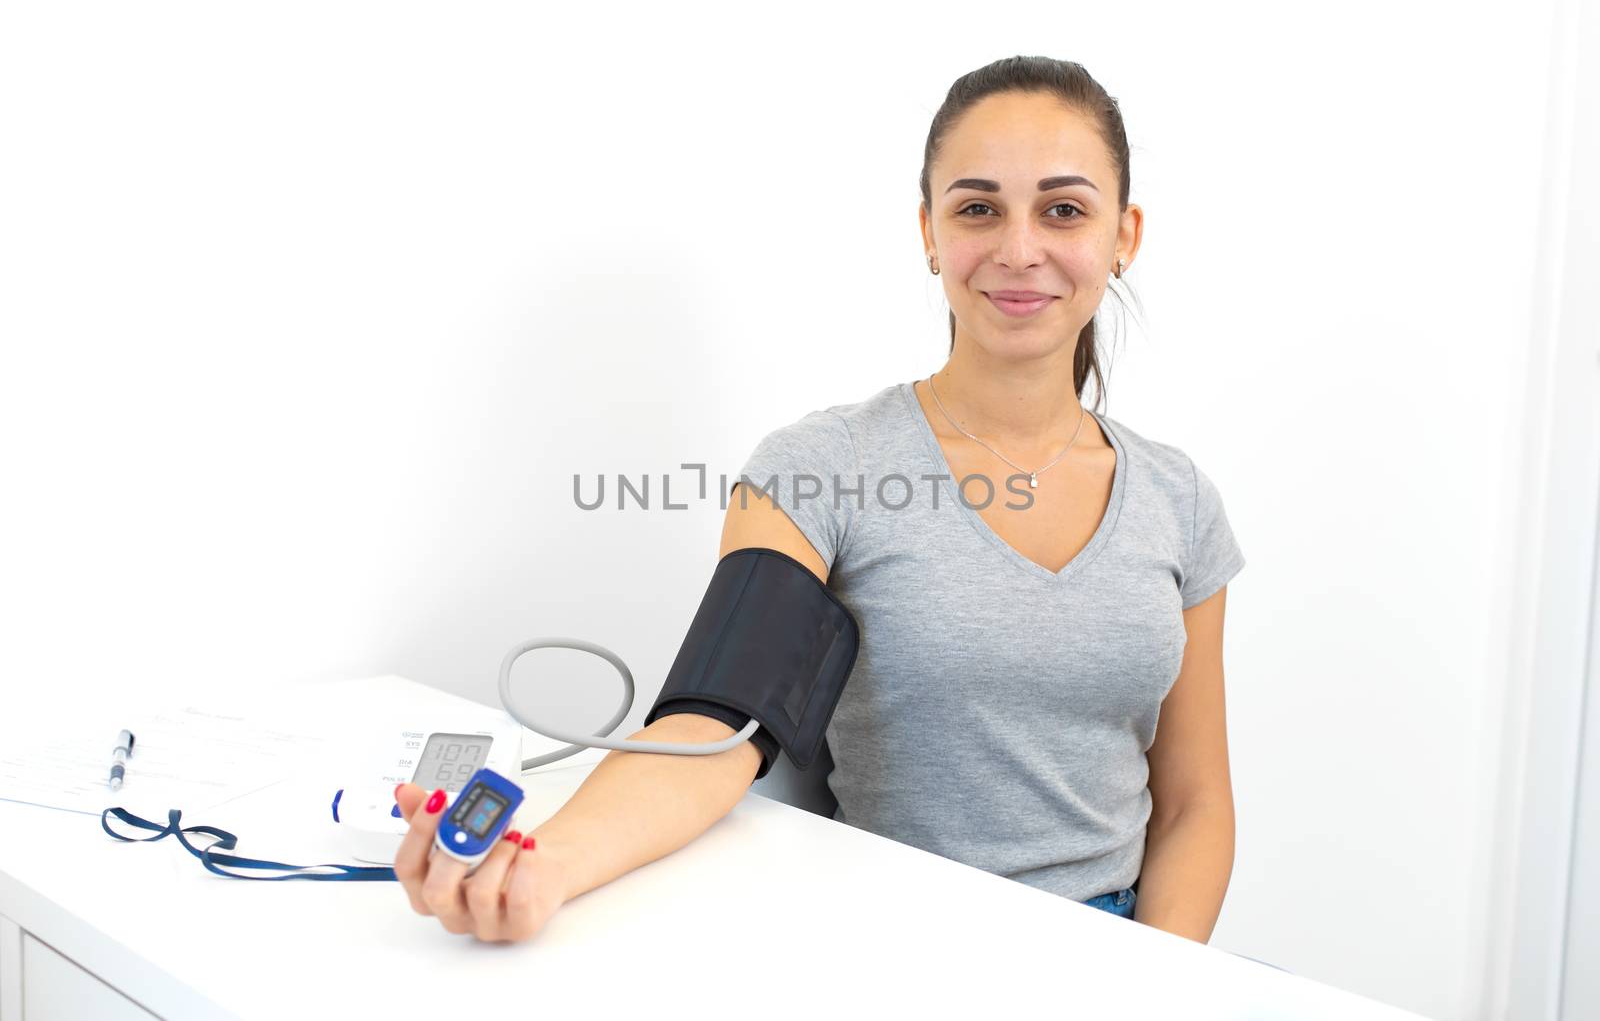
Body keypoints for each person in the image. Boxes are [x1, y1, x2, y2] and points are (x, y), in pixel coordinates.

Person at [391, 55, 1245, 946]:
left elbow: (1194, 802)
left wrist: (1156, 981)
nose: (1019, 248)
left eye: (1063, 209)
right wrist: (546, 865)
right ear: (928, 231)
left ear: (1124, 235)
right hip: (888, 941)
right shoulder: (821, 470)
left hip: (1123, 949)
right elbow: (717, 724)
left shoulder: (1178, 500)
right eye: (977, 207)